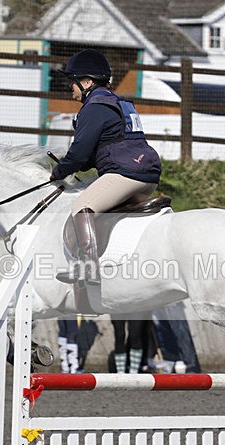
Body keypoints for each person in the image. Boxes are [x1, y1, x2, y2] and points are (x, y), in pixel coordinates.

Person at [50, 49, 161, 286]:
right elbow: (108, 147)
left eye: (73, 81)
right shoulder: (120, 103)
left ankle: (88, 268)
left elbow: (79, 153)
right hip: (148, 174)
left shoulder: (95, 107)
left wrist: (58, 172)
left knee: (82, 206)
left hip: (127, 174)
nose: (70, 87)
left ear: (87, 82)